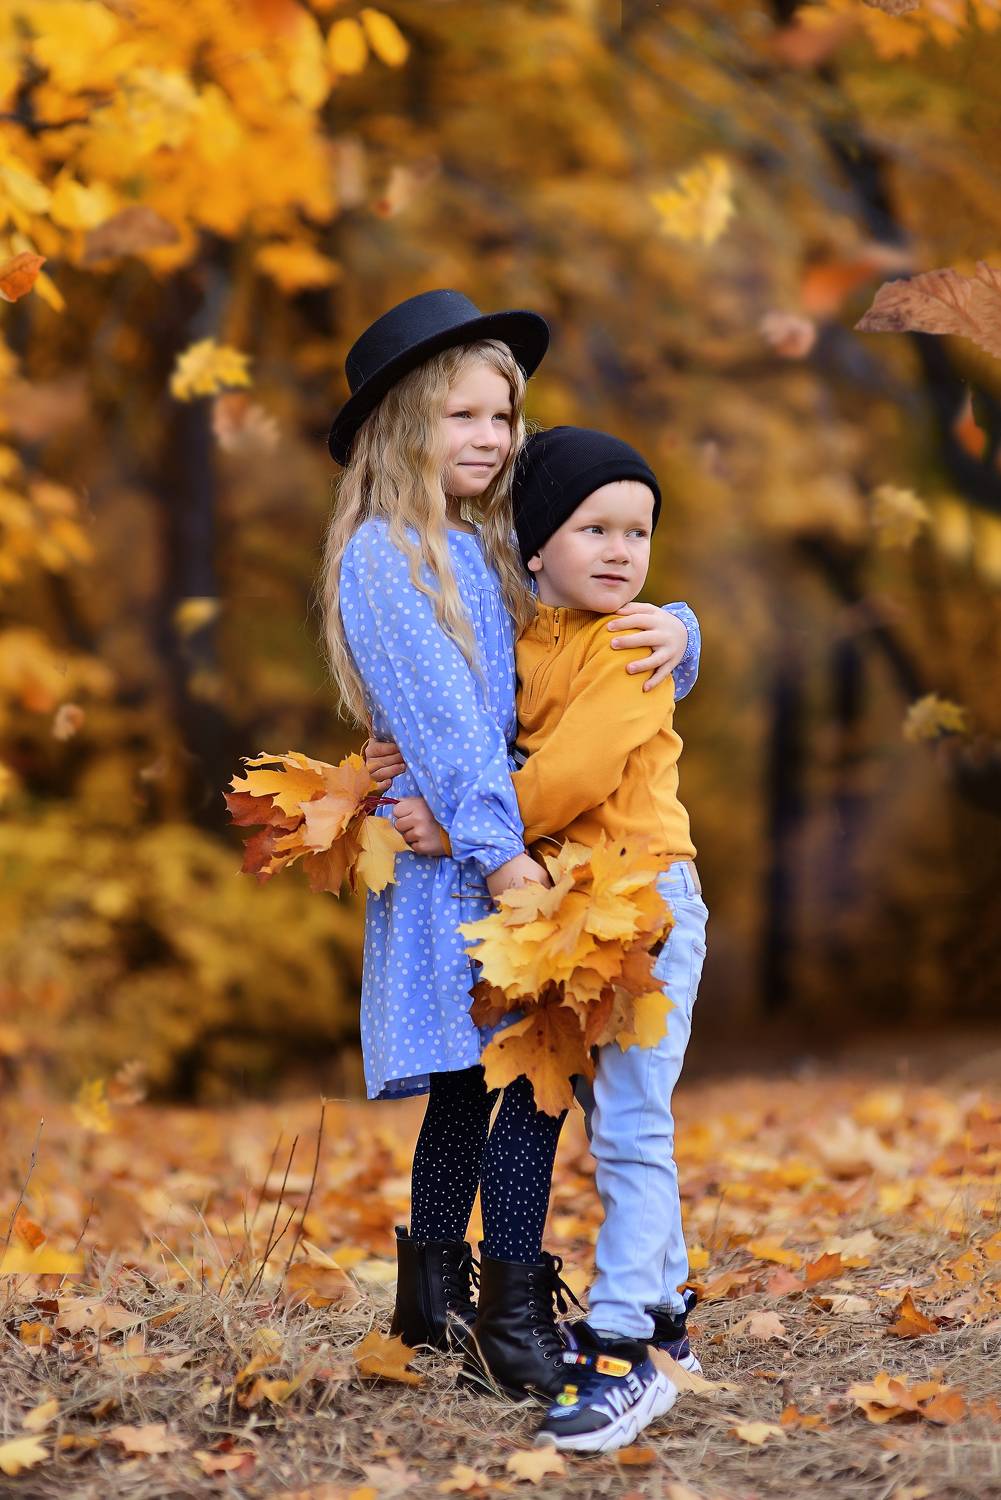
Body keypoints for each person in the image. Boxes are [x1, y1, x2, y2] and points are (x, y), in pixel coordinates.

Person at [321, 292, 698, 1401]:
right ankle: (512, 1319)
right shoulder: (388, 554)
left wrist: (682, 632)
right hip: (480, 860)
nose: (490, 437)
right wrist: (498, 857)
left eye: (502, 416)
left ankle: (434, 1306)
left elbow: (579, 635)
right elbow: (447, 726)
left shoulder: (479, 542)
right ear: (404, 424)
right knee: (520, 1081)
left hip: (489, 839)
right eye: (464, 416)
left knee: (477, 1083)